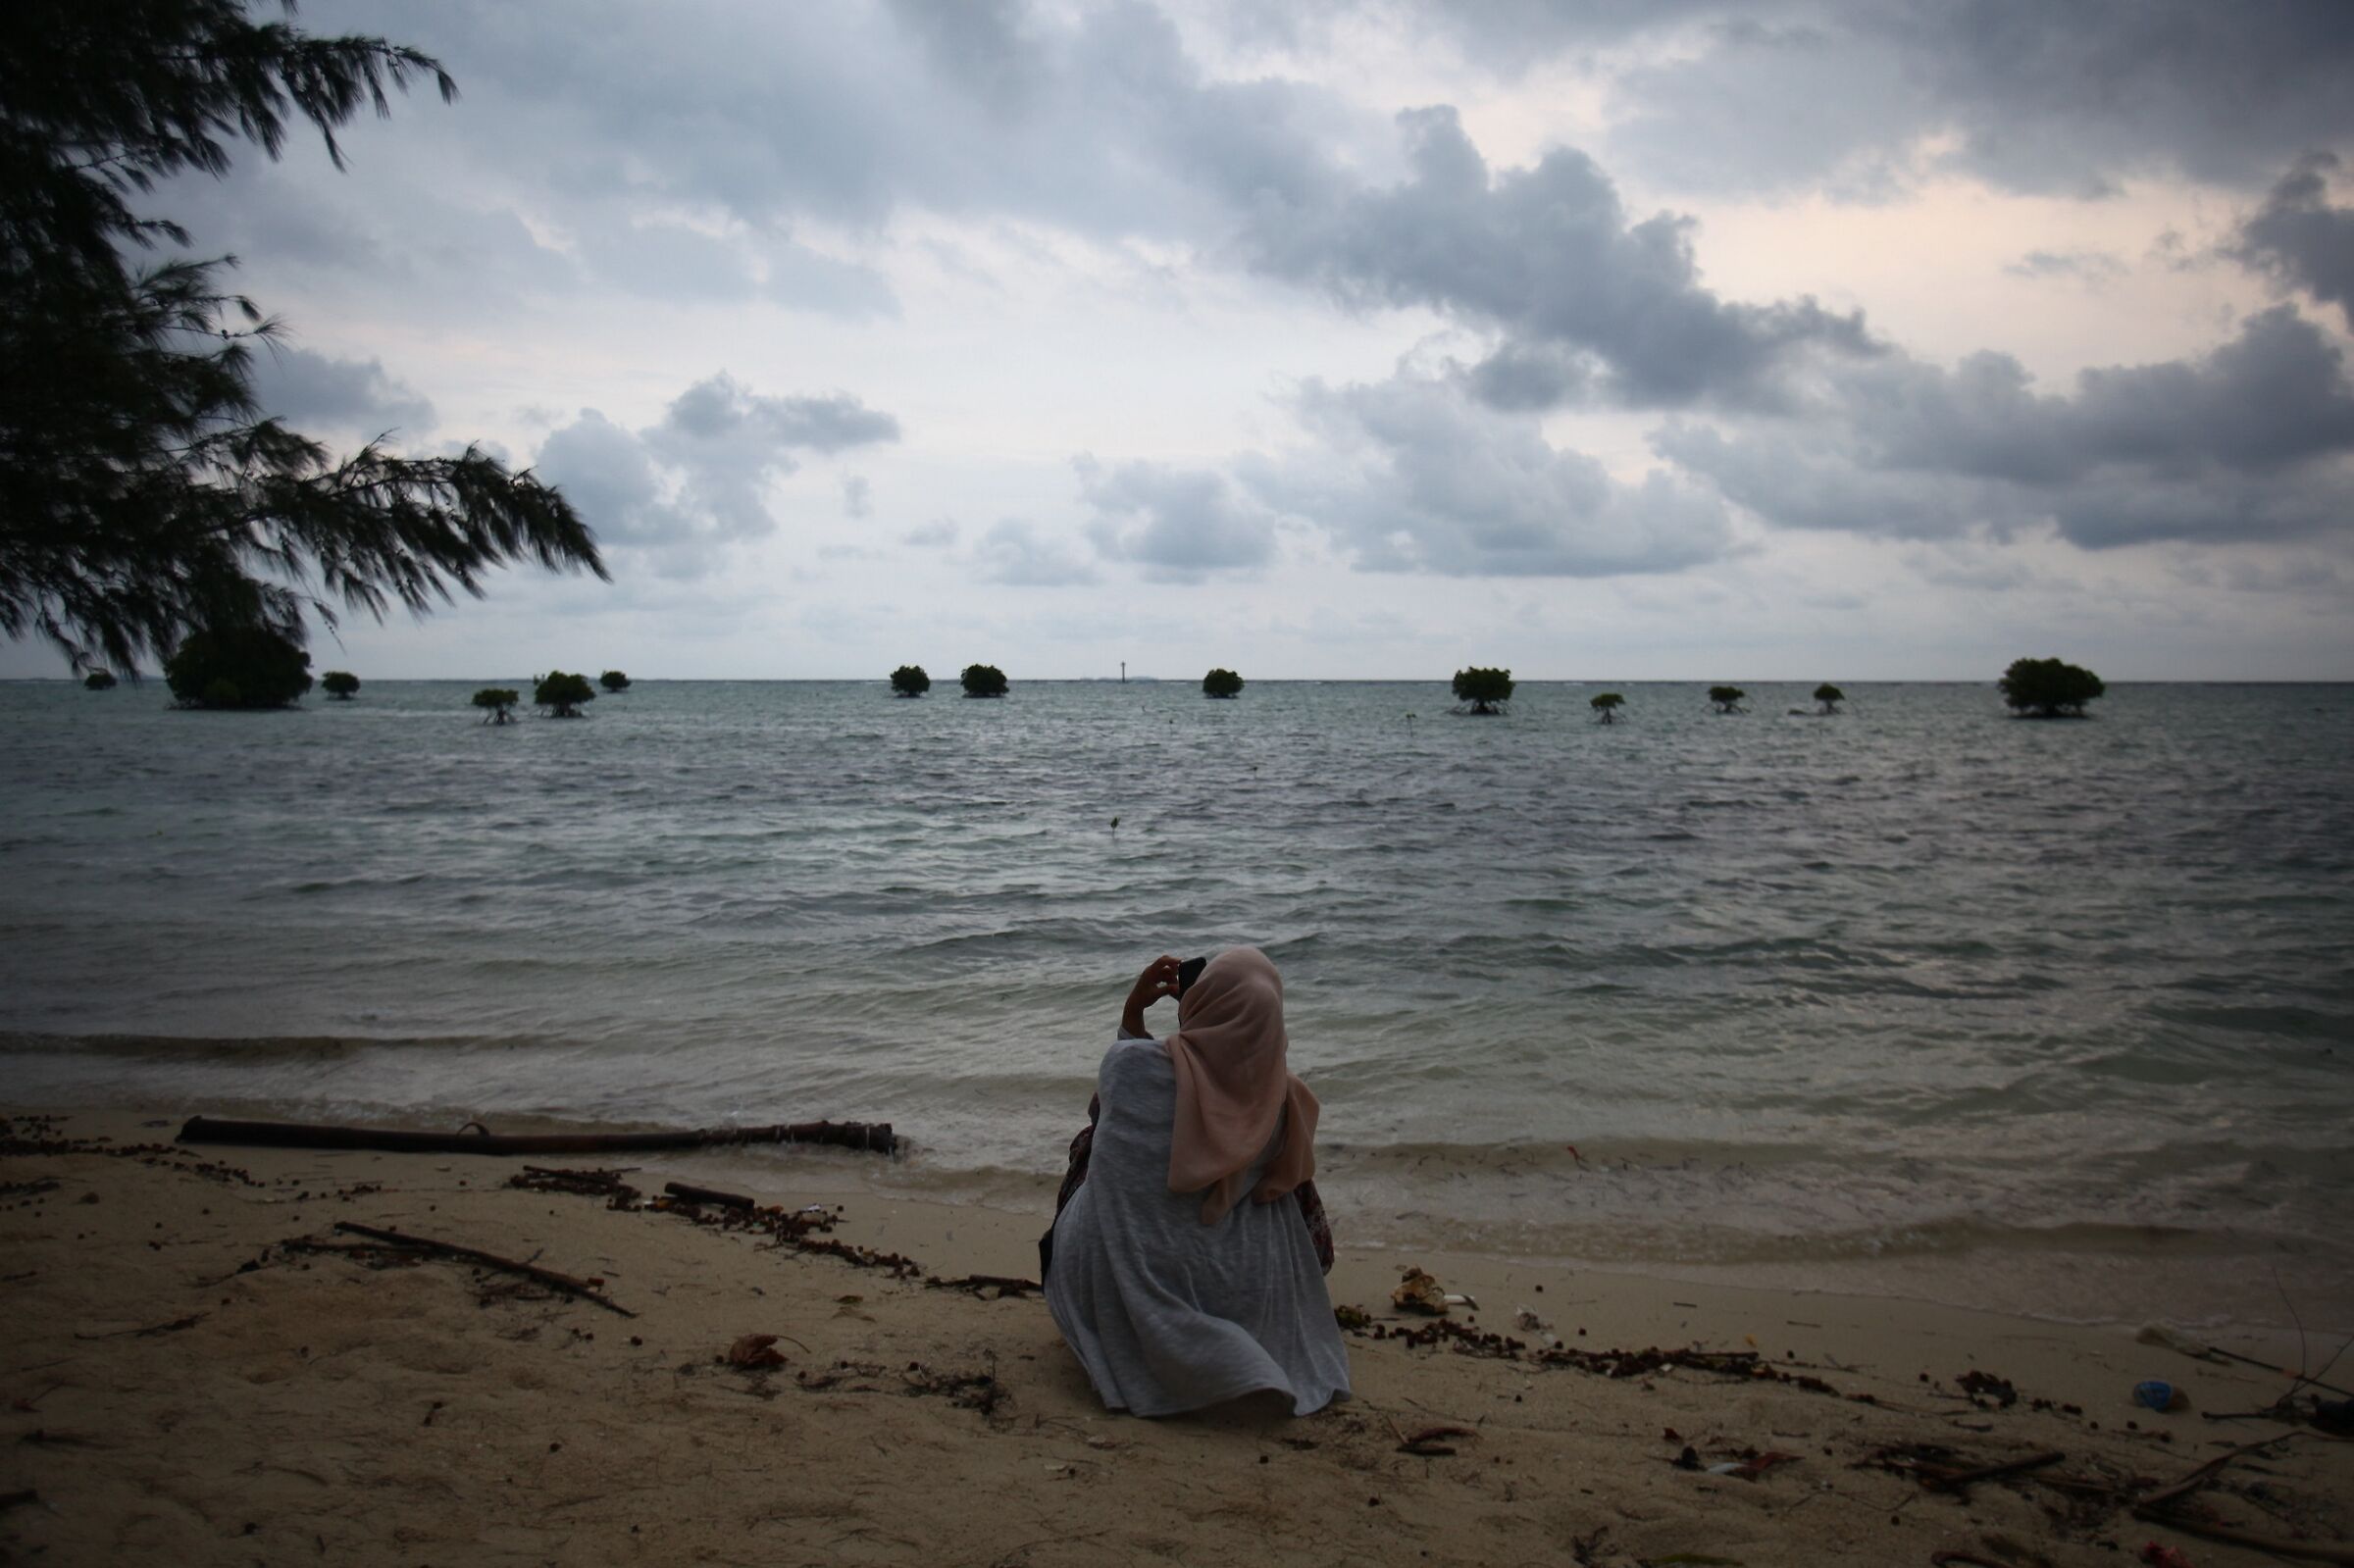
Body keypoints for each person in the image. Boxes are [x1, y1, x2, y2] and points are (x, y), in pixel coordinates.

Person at [1043, 947, 1352, 1417]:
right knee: (1293, 1169)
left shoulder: (1130, 1068)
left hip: (1126, 1273)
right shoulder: (1284, 1101)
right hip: (1247, 1286)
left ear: (1200, 1003)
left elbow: (1107, 1111)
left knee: (1094, 1140)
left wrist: (1132, 1014)